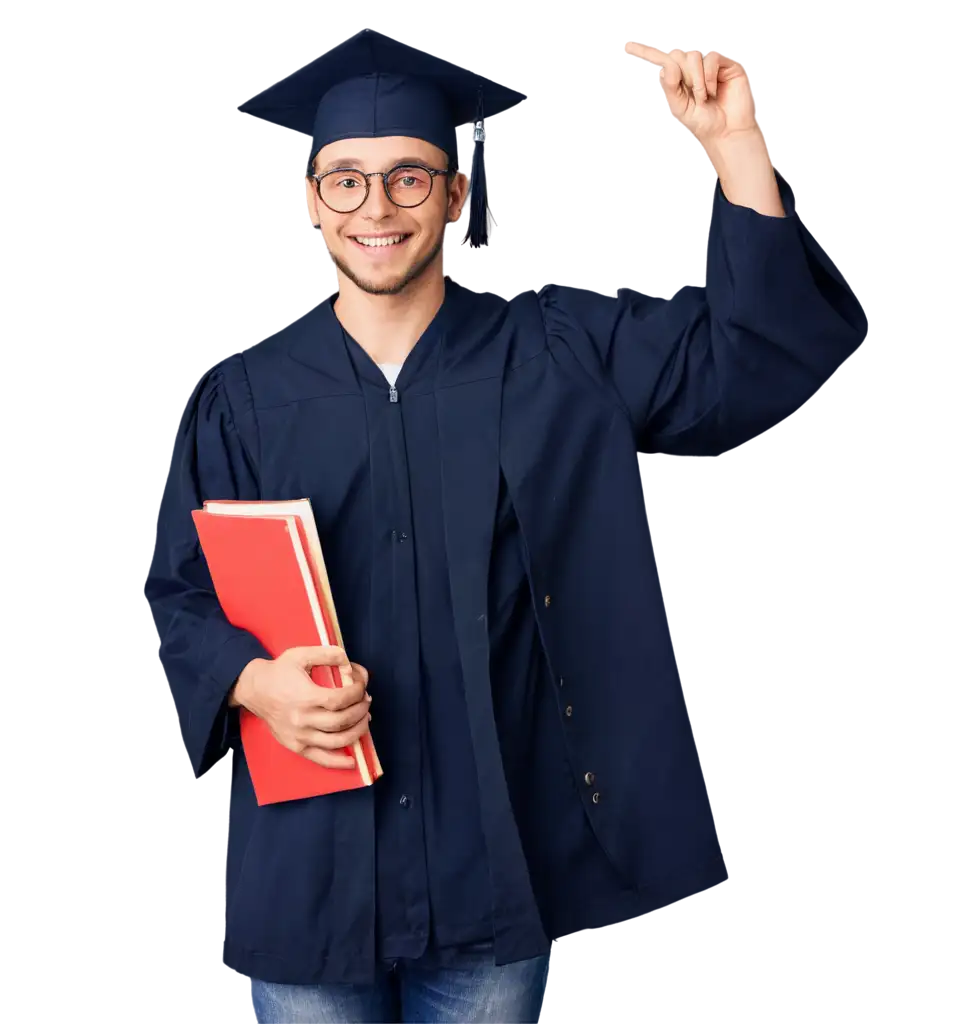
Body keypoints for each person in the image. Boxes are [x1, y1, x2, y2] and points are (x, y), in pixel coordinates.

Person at [138, 25, 864, 1024]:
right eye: (344, 179)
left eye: (408, 176)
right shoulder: (242, 395)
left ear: (456, 195)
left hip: (492, 874)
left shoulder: (565, 353)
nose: (376, 206)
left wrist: (735, 146)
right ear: (310, 200)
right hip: (308, 876)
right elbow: (178, 593)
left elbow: (755, 363)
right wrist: (251, 680)